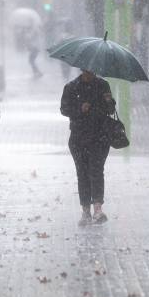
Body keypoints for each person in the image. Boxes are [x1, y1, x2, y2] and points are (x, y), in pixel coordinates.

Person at [60, 69, 115, 224]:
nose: (90, 73)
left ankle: (98, 209)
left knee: (97, 171)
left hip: (100, 137)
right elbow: (64, 109)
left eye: (92, 70)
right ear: (82, 69)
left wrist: (109, 101)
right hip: (79, 138)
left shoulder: (103, 85)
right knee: (83, 173)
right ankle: (85, 210)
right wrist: (79, 109)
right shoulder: (72, 87)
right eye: (87, 70)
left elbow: (110, 110)